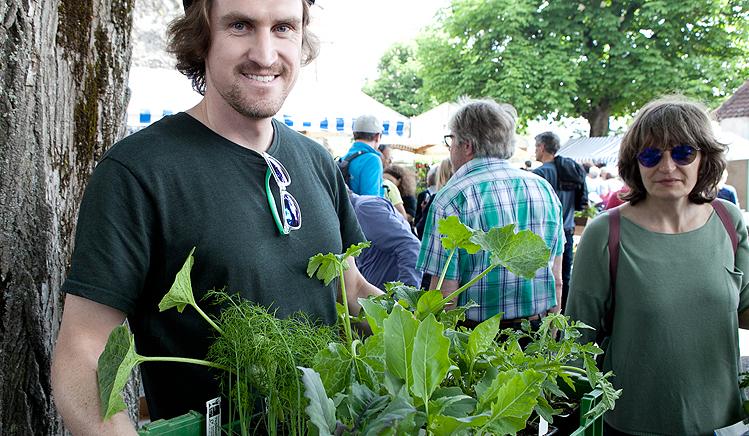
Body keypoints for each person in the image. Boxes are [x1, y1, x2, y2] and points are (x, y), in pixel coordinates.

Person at [50, 0, 382, 433]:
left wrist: (445, 347)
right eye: (240, 25)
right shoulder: (139, 172)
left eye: (283, 27)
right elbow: (84, 347)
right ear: (201, 35)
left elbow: (350, 287)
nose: (265, 54)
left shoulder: (317, 161)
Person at [566, 96, 749, 434]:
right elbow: (578, 338)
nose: (667, 167)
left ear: (703, 158)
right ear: (636, 164)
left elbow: (746, 307)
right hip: (634, 423)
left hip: (723, 421)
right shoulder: (606, 233)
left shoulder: (729, 221)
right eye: (651, 155)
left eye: (683, 153)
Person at [417, 98, 565, 328]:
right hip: (535, 330)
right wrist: (552, 334)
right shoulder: (543, 189)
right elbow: (557, 279)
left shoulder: (451, 198)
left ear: (467, 145)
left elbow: (445, 296)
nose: (450, 148)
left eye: (451, 140)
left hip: (476, 341)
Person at [533, 131, 587, 312]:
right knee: (563, 278)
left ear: (542, 147)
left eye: (535, 147)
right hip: (568, 229)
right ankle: (564, 318)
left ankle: (546, 319)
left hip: (544, 235)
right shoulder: (571, 170)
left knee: (541, 277)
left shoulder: (539, 175)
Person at [350, 192, 422, 289]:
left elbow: (411, 246)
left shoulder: (365, 209)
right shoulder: (357, 212)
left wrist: (404, 299)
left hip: (390, 298)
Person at [341, 115, 385, 196]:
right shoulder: (372, 160)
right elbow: (370, 201)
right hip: (363, 208)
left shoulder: (344, 158)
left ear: (354, 135)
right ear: (377, 136)